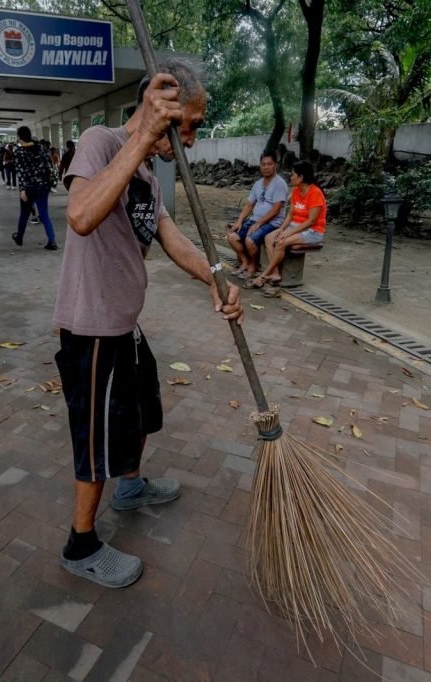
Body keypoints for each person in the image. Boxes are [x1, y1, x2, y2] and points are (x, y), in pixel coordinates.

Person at [54, 59, 243, 588]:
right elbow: (81, 215)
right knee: (94, 437)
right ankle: (81, 543)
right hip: (91, 328)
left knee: (139, 411)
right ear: (157, 104)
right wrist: (143, 137)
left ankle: (131, 487)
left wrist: (214, 276)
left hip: (125, 323)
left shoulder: (147, 177)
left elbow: (168, 234)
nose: (192, 139)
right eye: (190, 124)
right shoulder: (103, 142)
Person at [250, 160, 326, 289]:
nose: (290, 177)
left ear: (301, 177)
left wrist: (288, 234)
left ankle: (264, 275)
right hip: (295, 227)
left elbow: (311, 221)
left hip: (312, 231)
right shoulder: (296, 191)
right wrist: (282, 229)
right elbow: (290, 214)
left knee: (281, 242)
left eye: (292, 175)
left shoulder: (315, 193)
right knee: (269, 238)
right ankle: (275, 273)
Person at [226, 151, 288, 280]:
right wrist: (239, 221)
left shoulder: (280, 184)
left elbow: (276, 209)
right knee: (232, 236)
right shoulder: (257, 184)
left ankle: (254, 266)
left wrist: (259, 224)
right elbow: (249, 205)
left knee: (250, 239)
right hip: (254, 220)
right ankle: (245, 262)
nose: (266, 167)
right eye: (263, 164)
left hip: (272, 223)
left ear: (275, 165)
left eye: (269, 164)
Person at [12, 126, 58, 250]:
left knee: (24, 214)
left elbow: (20, 172)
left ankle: (19, 237)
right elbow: (49, 165)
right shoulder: (42, 148)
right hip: (43, 186)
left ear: (19, 136)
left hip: (29, 188)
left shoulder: (19, 152)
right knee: (44, 214)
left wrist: (22, 189)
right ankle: (52, 241)